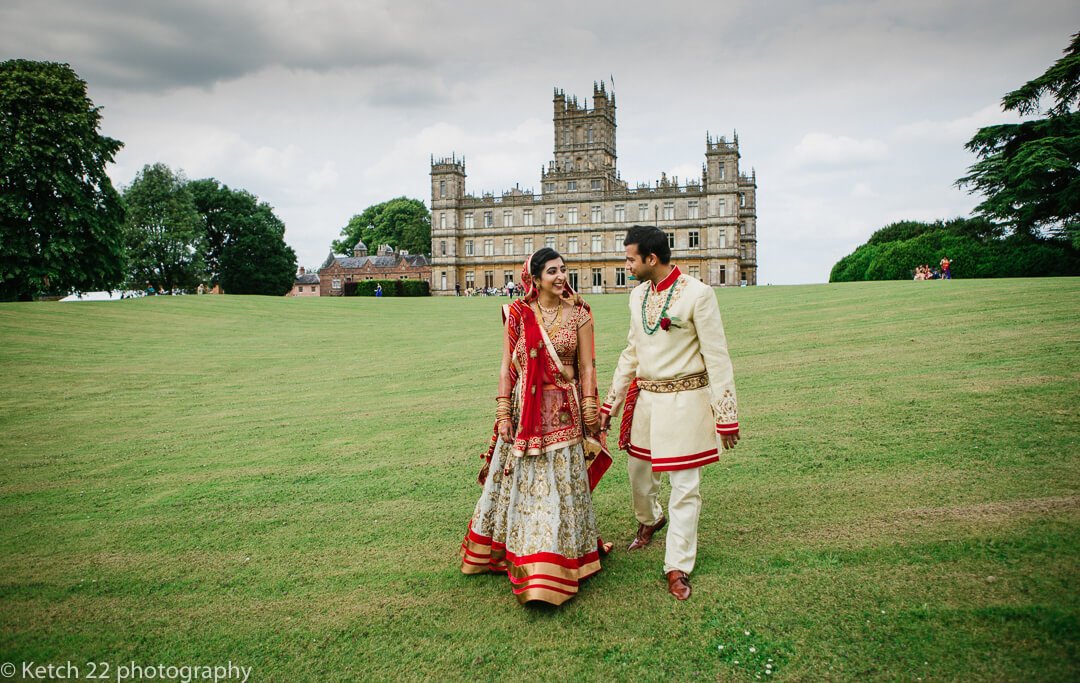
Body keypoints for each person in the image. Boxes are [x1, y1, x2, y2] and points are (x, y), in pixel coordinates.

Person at [460, 248, 612, 605]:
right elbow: (506, 367)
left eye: (564, 270)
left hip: (564, 411)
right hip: (525, 411)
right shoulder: (517, 314)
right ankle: (531, 559)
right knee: (530, 489)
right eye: (552, 272)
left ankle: (557, 560)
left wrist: (590, 405)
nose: (561, 277)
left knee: (559, 487)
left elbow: (588, 366)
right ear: (535, 279)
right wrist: (502, 413)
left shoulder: (581, 313)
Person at [599, 225, 740, 601]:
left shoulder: (698, 294)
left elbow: (718, 356)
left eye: (630, 258)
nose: (625, 264)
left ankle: (677, 565)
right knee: (638, 478)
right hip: (645, 403)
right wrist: (610, 403)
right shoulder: (636, 297)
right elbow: (632, 352)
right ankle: (649, 520)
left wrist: (726, 415)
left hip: (686, 404)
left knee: (685, 488)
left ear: (652, 258)